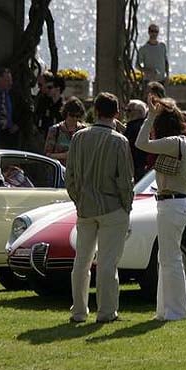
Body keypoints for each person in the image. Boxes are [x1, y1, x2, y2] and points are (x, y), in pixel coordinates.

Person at [65, 92, 134, 324]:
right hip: (112, 207)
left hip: (86, 207)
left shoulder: (78, 137)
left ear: (95, 111)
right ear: (116, 113)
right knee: (107, 263)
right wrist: (128, 206)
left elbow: (70, 176)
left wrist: (79, 200)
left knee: (81, 262)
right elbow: (125, 180)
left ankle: (79, 311)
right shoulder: (119, 141)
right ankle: (106, 312)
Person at [135, 95, 186, 321]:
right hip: (178, 204)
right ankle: (165, 310)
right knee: (167, 257)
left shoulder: (173, 142)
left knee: (170, 259)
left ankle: (177, 311)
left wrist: (149, 116)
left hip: (170, 204)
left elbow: (140, 143)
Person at [44, 97, 86, 166]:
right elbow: (47, 155)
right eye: (72, 115)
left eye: (77, 116)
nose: (75, 118)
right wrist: (64, 155)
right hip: (58, 171)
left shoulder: (83, 130)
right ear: (66, 113)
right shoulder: (55, 130)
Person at [137, 24, 169, 100]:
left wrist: (167, 75)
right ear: (149, 32)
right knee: (149, 101)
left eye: (156, 31)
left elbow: (166, 61)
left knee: (161, 102)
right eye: (152, 31)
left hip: (161, 81)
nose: (154, 34)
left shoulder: (162, 46)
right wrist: (148, 71)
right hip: (149, 81)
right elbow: (137, 65)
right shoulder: (143, 48)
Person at [123, 99, 149, 181]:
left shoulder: (135, 127)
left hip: (135, 168)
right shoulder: (142, 126)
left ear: (139, 112)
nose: (126, 113)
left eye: (129, 110)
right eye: (125, 110)